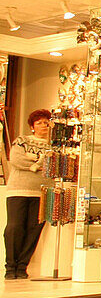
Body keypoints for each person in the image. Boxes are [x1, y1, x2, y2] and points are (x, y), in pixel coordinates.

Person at [4, 109, 50, 279]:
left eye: (46, 123)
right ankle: (10, 266)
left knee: (34, 228)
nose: (43, 126)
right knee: (14, 227)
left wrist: (33, 160)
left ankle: (22, 266)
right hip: (18, 190)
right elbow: (16, 159)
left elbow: (52, 164)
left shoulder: (52, 145)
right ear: (32, 126)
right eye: (39, 123)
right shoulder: (22, 141)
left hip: (41, 192)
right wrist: (38, 164)